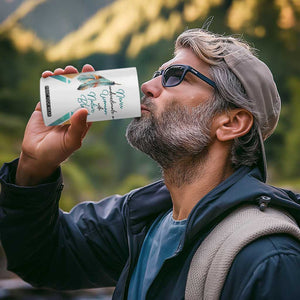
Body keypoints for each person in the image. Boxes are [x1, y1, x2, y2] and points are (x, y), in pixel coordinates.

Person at [0, 28, 300, 300]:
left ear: (231, 123)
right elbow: (43, 258)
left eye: (176, 76)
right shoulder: (140, 219)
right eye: (158, 74)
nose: (147, 85)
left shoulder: (269, 259)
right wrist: (34, 167)